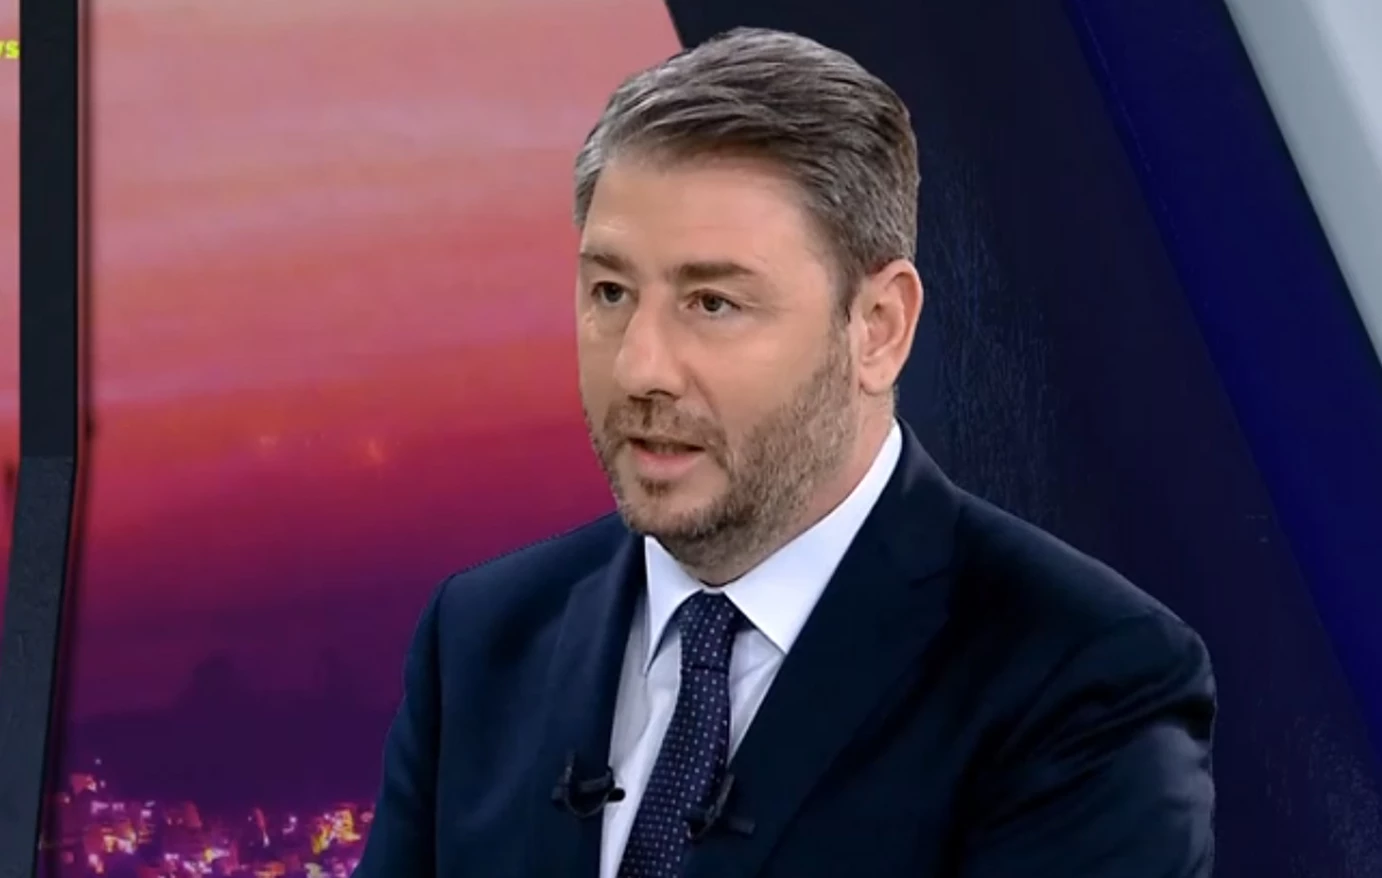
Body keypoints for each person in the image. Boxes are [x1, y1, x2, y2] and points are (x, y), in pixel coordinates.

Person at [354, 26, 1216, 878]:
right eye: (611, 293)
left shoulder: (1081, 677)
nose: (640, 367)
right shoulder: (482, 640)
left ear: (878, 328)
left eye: (713, 303)